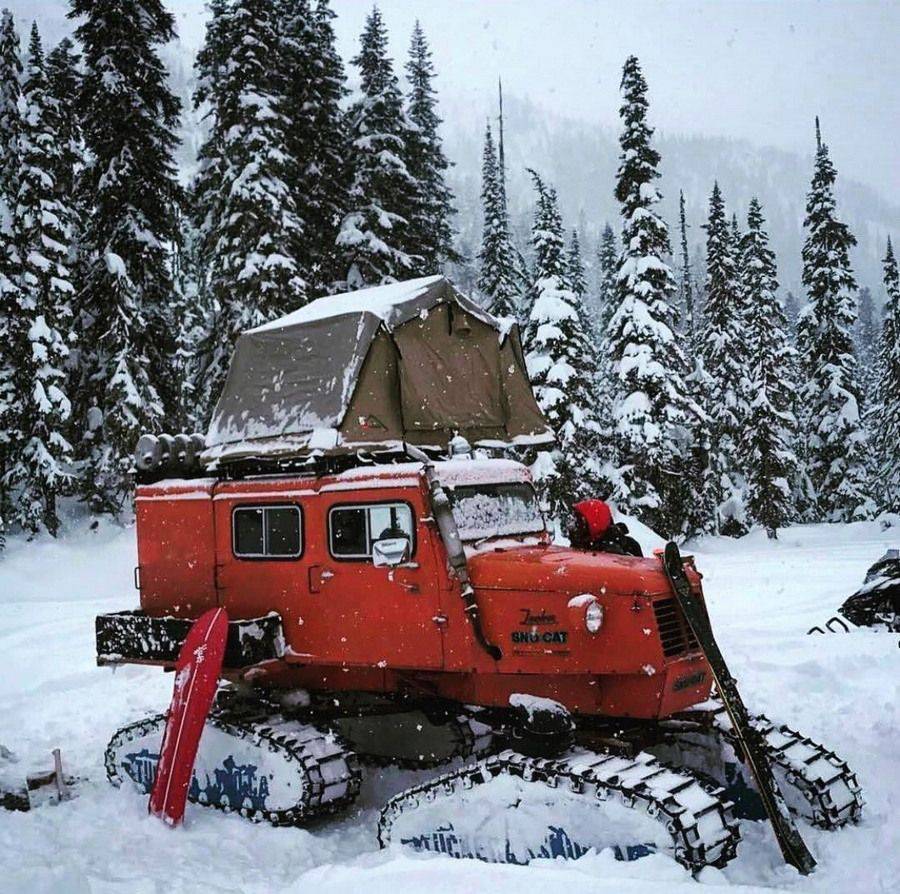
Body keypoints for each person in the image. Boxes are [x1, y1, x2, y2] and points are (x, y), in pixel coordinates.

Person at [569, 499, 643, 558]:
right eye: (575, 518)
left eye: (579, 520)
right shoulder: (585, 543)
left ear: (594, 523)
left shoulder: (608, 553)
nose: (573, 524)